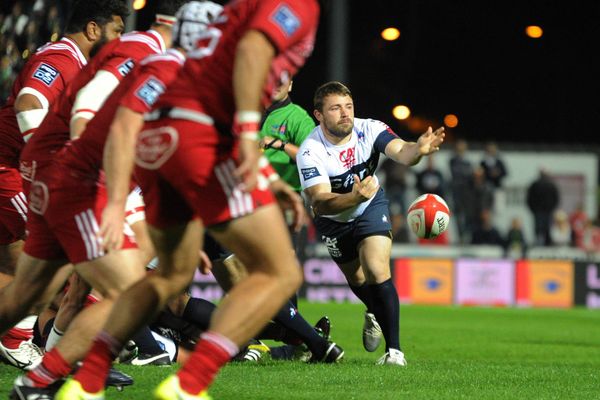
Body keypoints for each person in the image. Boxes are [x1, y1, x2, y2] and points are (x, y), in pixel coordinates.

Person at [57, 2, 328, 400]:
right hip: (201, 137)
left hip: (163, 138)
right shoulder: (293, 4)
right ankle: (189, 383)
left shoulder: (237, 9)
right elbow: (253, 51)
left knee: (171, 275)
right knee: (279, 272)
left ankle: (86, 379)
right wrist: (251, 139)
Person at [3, 2, 192, 398]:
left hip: (73, 174)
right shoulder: (130, 54)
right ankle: (52, 374)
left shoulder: (157, 62)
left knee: (34, 292)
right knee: (127, 289)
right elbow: (66, 110)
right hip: (61, 174)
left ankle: (51, 367)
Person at [0, 0, 130, 371]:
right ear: (93, 29)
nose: (121, 39)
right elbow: (28, 106)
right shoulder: (60, 58)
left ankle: (50, 351)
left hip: (17, 172)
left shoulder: (83, 67)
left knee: (29, 268)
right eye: (117, 30)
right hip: (9, 171)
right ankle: (18, 340)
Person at [296, 81, 445, 365]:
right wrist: (351, 197)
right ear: (319, 115)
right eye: (336, 108)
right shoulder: (310, 151)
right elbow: (320, 201)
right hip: (333, 220)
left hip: (370, 206)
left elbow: (401, 150)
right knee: (358, 279)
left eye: (349, 107)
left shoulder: (369, 128)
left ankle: (395, 353)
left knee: (377, 270)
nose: (345, 114)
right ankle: (374, 311)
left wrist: (418, 150)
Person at [526, 168, 560, 246]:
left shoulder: (535, 184)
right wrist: (552, 208)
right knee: (546, 227)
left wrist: (533, 209)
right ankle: (547, 242)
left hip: (538, 210)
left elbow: (529, 199)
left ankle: (539, 242)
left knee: (539, 228)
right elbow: (556, 198)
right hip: (546, 210)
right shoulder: (551, 185)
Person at [449, 138, 473, 244]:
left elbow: (469, 176)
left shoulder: (467, 162)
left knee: (468, 216)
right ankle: (460, 238)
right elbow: (458, 174)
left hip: (466, 193)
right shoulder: (453, 160)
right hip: (457, 192)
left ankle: (466, 237)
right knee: (458, 216)